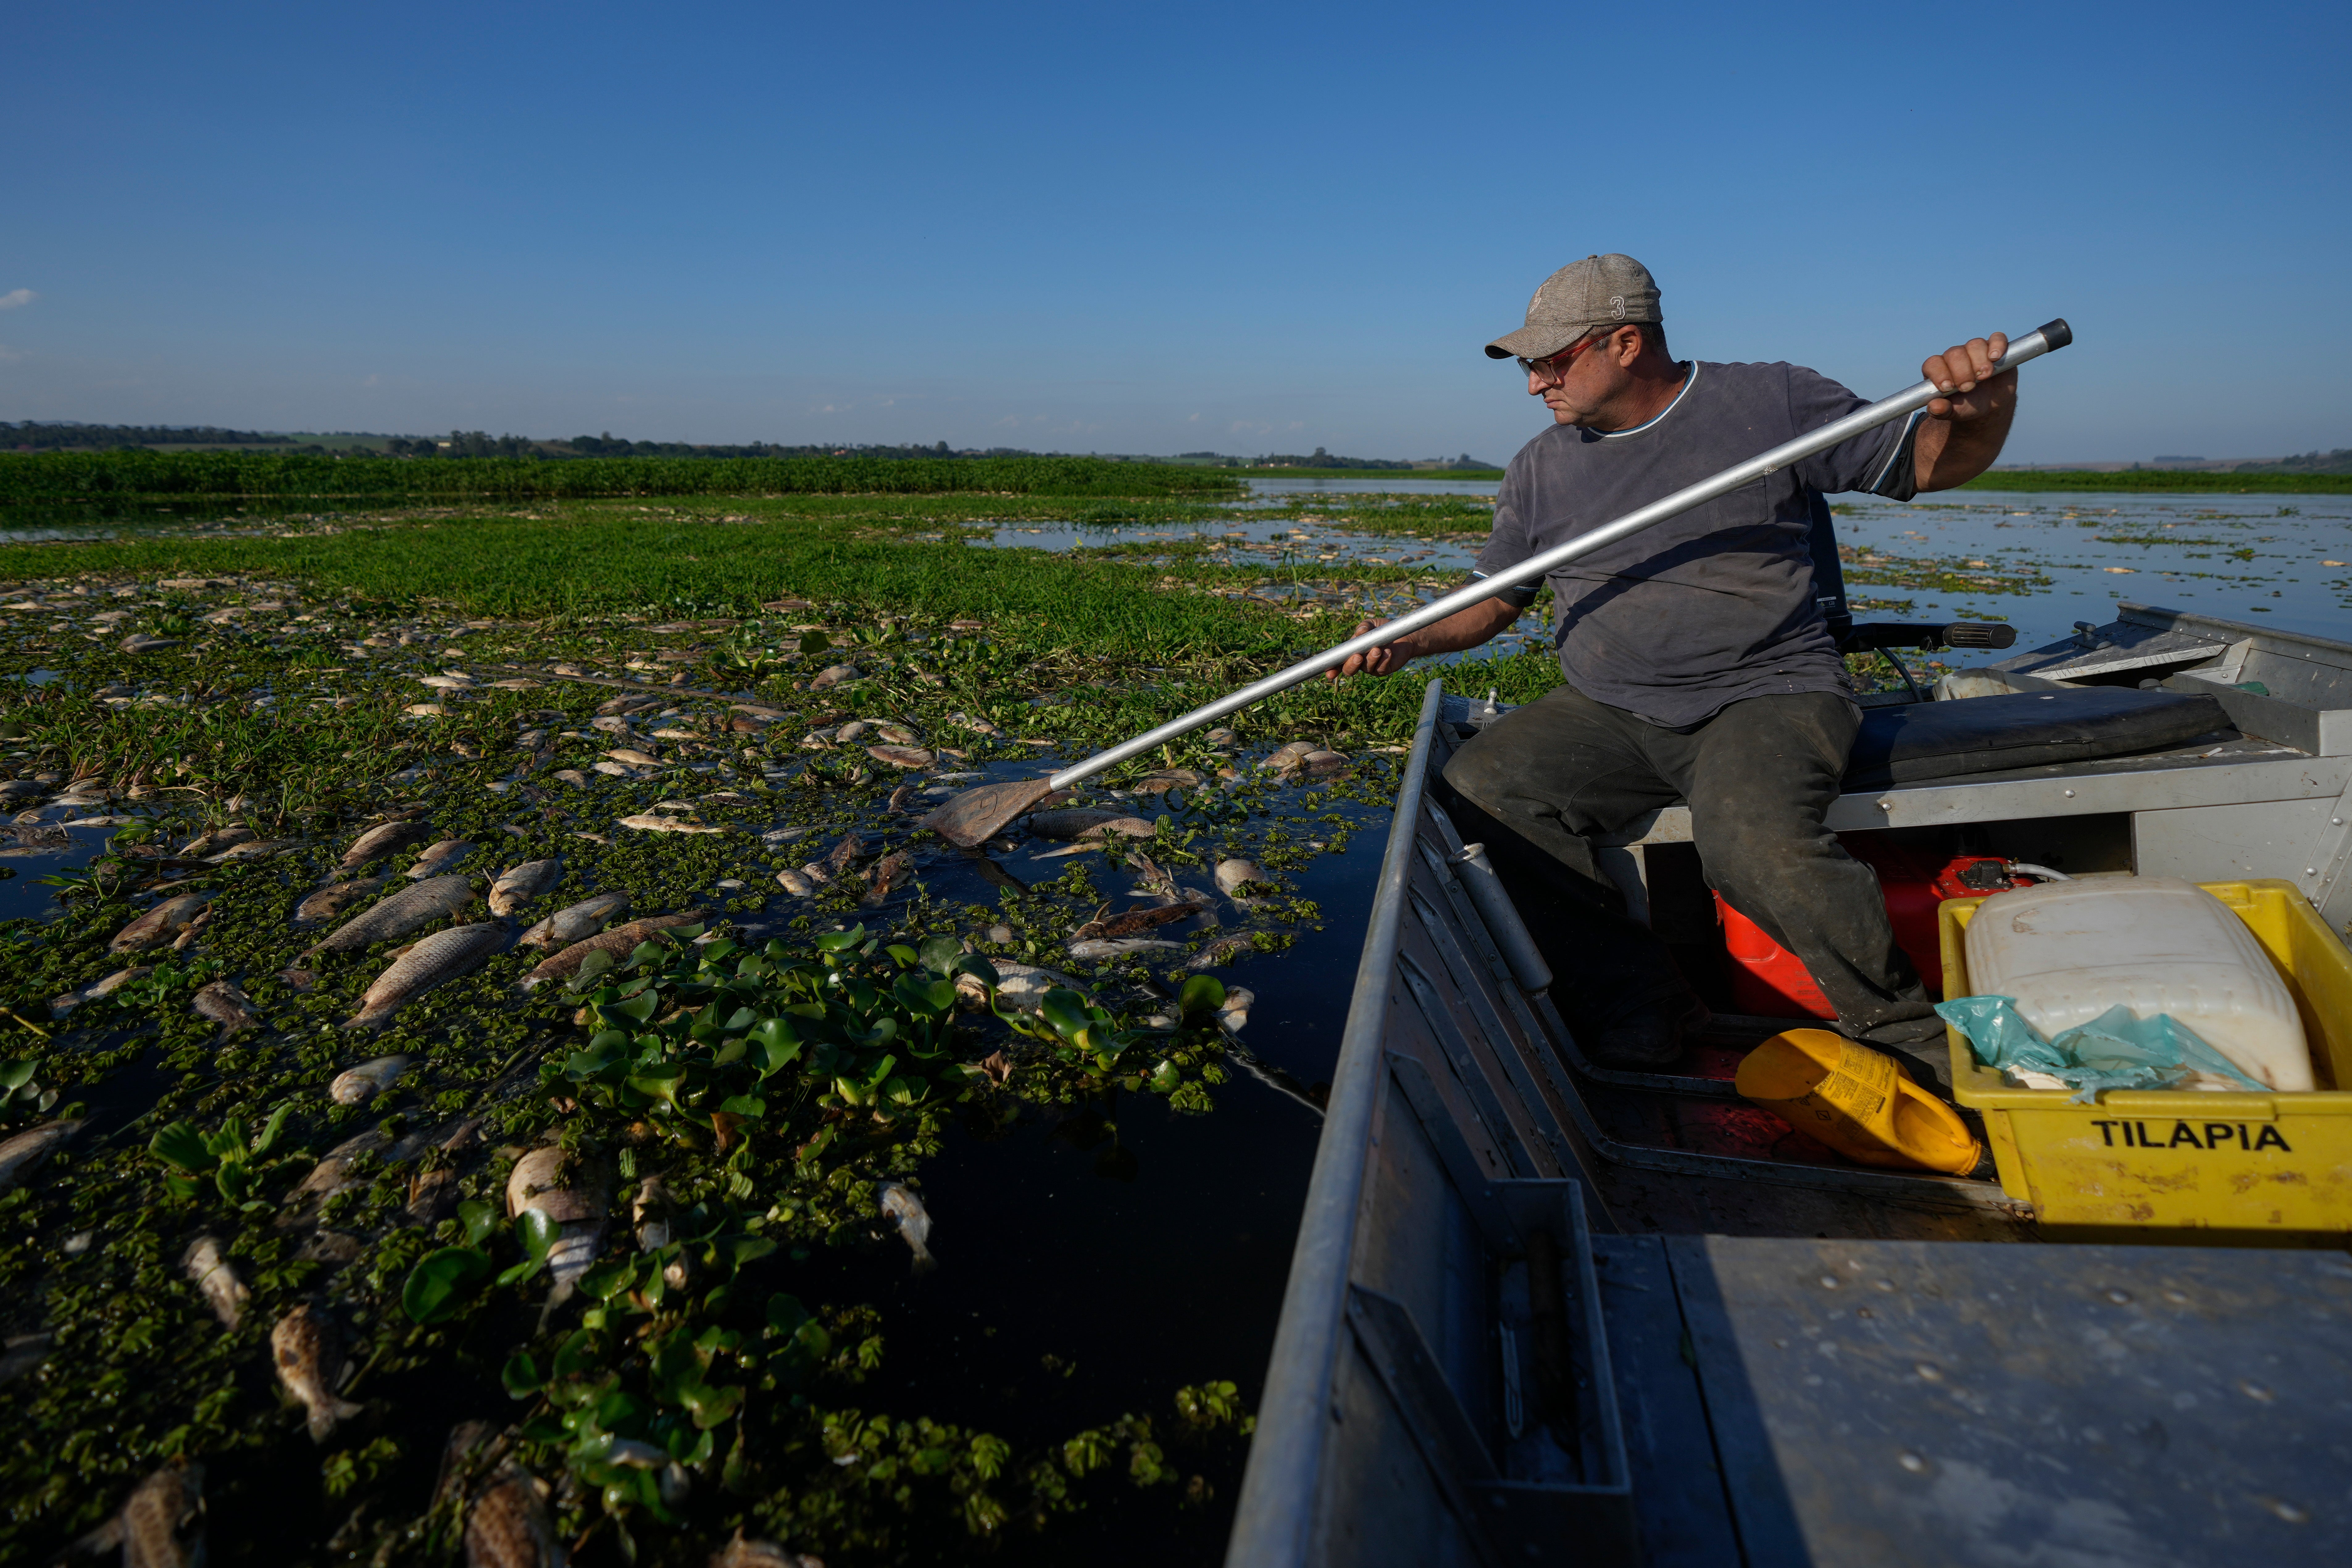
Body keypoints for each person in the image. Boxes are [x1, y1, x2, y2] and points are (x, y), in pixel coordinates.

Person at [1332, 253, 2019, 1077]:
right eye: (1526, 366)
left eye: (1549, 362)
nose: (1532, 386)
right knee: (1482, 791)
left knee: (1750, 846)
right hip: (1609, 707)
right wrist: (1410, 640)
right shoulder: (1541, 466)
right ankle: (1638, 1000)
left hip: (1766, 694)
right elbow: (1493, 602)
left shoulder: (1772, 401)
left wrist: (1980, 412)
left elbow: (1926, 462)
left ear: (1624, 344)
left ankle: (1909, 1038)